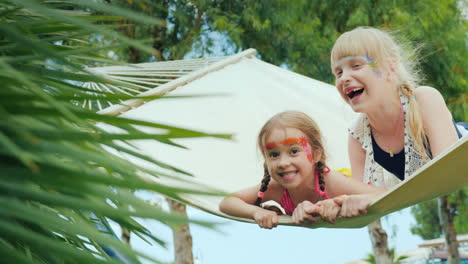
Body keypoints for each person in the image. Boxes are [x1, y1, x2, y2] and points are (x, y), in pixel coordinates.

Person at [330, 26, 467, 189]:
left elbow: (447, 172)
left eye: (356, 66)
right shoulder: (358, 136)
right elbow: (362, 194)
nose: (344, 78)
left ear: (391, 68)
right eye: (338, 73)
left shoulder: (423, 100)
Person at [219, 111, 387, 229]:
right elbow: (226, 202)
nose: (283, 163)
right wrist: (256, 212)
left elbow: (383, 195)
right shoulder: (275, 187)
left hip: (353, 178)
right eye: (274, 154)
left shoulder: (331, 181)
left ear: (315, 155)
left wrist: (341, 201)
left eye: (293, 151)